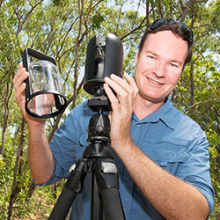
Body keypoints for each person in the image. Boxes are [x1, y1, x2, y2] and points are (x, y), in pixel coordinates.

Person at [13, 18, 214, 220]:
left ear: (181, 71)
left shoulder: (190, 135)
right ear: (137, 57)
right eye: (152, 57)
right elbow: (44, 175)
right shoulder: (84, 114)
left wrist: (124, 144)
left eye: (173, 64)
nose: (159, 72)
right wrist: (36, 125)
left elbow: (195, 214)